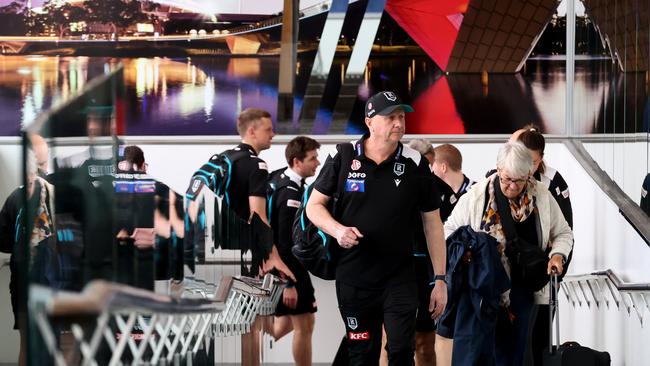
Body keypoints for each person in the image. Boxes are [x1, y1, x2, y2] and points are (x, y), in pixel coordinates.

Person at [306, 91, 448, 365]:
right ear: (370, 122)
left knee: (401, 351)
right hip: (354, 277)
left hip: (399, 277)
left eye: (402, 117)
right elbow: (314, 206)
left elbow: (433, 224)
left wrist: (440, 279)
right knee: (362, 354)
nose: (399, 123)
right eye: (391, 117)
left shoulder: (415, 163)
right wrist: (337, 230)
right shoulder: (344, 156)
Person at [443, 142, 573, 365]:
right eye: (507, 179)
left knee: (512, 356)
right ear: (498, 169)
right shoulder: (477, 196)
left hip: (521, 291)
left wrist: (558, 255)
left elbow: (563, 233)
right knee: (476, 354)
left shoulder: (542, 196)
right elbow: (449, 231)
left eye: (519, 180)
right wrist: (464, 252)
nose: (512, 186)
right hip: (482, 290)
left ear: (529, 174)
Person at [223, 108, 295, 366]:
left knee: (243, 327)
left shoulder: (223, 159)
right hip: (245, 257)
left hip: (216, 257)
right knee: (251, 327)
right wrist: (274, 257)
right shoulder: (256, 165)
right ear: (251, 131)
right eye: (268, 129)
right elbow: (259, 217)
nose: (273, 134)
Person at [512, 126, 573, 366]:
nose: (528, 167)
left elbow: (565, 232)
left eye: (534, 162)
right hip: (509, 275)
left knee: (538, 338)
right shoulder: (498, 178)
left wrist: (556, 263)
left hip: (542, 275)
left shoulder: (552, 182)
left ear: (541, 159)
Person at [265, 136, 321, 366]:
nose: (317, 163)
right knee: (305, 325)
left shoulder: (280, 178)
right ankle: (247, 350)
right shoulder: (290, 193)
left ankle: (248, 350)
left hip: (283, 268)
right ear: (297, 161)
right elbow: (285, 244)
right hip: (288, 270)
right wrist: (288, 282)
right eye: (313, 158)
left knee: (287, 323)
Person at [0, 150, 55, 366]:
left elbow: (2, 239)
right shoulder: (51, 193)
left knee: (27, 343)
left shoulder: (15, 197)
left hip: (24, 279)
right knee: (48, 341)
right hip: (47, 279)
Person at [431, 143, 475, 216]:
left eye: (432, 165)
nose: (430, 170)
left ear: (443, 167)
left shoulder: (477, 192)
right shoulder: (435, 194)